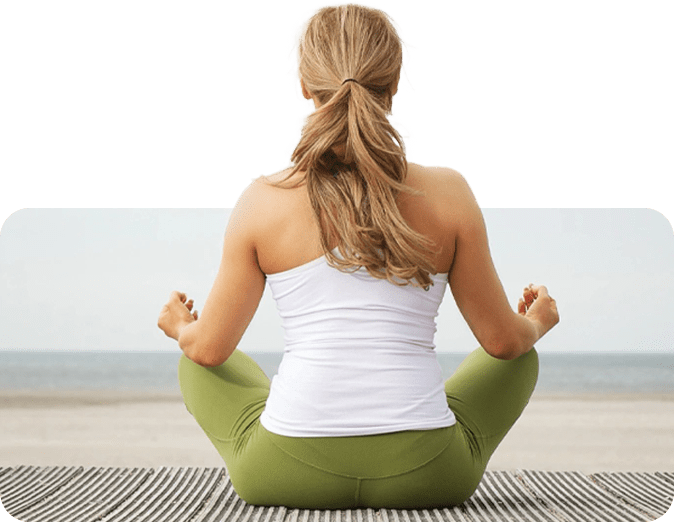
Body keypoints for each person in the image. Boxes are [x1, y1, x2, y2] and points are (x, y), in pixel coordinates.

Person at [157, 1, 559, 510]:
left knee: (198, 362)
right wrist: (536, 323)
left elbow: (210, 351)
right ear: (394, 86)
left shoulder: (262, 198)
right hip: (428, 474)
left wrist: (181, 329)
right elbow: (502, 343)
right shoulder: (450, 191)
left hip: (283, 472)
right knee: (519, 359)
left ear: (303, 85)